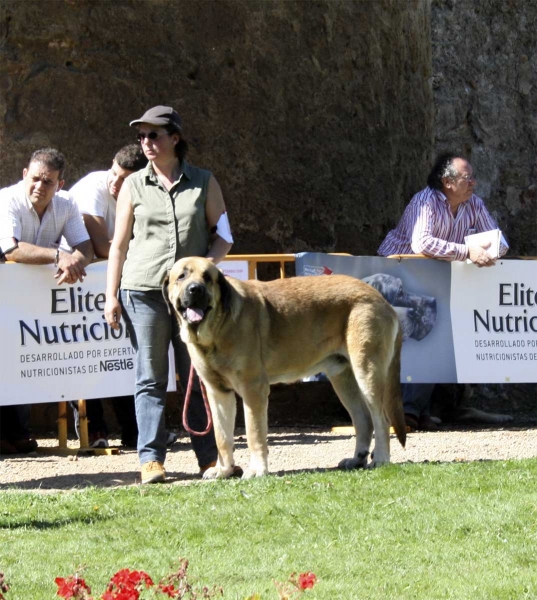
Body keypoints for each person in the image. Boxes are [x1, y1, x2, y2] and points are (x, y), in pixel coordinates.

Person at [104, 105, 234, 484]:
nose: (146, 142)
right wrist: (111, 295)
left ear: (174, 138)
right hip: (143, 290)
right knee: (150, 376)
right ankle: (151, 461)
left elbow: (224, 235)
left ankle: (210, 459)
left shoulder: (204, 181)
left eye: (154, 135)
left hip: (192, 297)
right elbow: (118, 244)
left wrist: (205, 271)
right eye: (141, 136)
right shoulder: (132, 185)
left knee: (197, 374)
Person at [378, 152, 508, 431]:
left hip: (442, 278)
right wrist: (468, 251)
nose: (474, 182)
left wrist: (489, 250)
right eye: (467, 177)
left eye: (473, 177)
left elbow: (499, 241)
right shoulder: (425, 201)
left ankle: (431, 409)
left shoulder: (473, 203)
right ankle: (408, 411)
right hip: (403, 276)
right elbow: (421, 243)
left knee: (446, 335)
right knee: (423, 338)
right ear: (448, 182)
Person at [0, 148, 94, 453]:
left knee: (27, 360)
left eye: (49, 182)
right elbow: (10, 250)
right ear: (25, 174)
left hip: (35, 300)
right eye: (36, 178)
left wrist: (74, 262)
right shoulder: (7, 199)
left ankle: (16, 433)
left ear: (60, 184)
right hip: (6, 294)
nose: (40, 186)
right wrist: (59, 256)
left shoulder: (66, 204)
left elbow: (85, 246)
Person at [67, 144, 148, 448]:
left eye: (125, 179)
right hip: (78, 283)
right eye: (114, 173)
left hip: (114, 281)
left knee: (120, 355)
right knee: (82, 355)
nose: (115, 183)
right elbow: (101, 246)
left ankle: (135, 432)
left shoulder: (146, 193)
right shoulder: (93, 188)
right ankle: (92, 429)